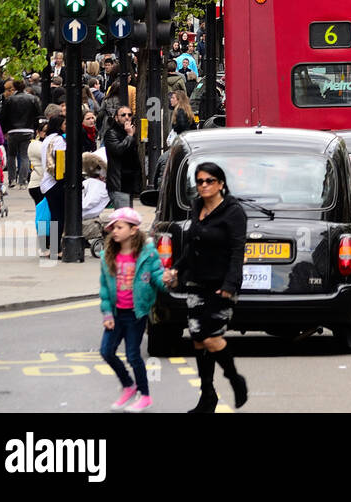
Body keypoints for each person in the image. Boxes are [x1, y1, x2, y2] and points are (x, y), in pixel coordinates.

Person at [164, 161, 248, 413]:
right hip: (196, 282)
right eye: (200, 181)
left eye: (209, 181)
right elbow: (192, 245)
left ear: (221, 184)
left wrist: (230, 285)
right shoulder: (197, 207)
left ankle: (235, 379)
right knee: (199, 341)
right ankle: (207, 397)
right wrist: (176, 269)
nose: (203, 186)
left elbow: (237, 251)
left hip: (221, 285)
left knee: (211, 338)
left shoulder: (233, 212)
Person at [99, 207, 169, 413]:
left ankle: (145, 396)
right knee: (106, 351)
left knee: (132, 356)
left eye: (119, 227)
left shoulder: (147, 255)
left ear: (133, 230)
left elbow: (157, 277)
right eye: (113, 228)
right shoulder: (108, 256)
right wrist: (107, 313)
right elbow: (104, 287)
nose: (115, 231)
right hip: (116, 313)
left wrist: (167, 281)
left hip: (135, 314)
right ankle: (129, 386)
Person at [0, 79, 40, 188]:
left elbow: (4, 116)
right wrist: (35, 127)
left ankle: (12, 179)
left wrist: (4, 130)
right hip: (27, 129)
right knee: (24, 156)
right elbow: (38, 114)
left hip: (12, 130)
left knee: (11, 155)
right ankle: (22, 181)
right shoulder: (32, 99)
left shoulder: (9, 99)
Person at [38, 113, 66, 258]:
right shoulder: (59, 140)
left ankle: (52, 247)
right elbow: (60, 161)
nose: (67, 126)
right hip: (56, 182)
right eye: (64, 123)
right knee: (59, 216)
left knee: (55, 215)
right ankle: (56, 249)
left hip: (47, 182)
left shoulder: (47, 139)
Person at [103, 105, 141, 207]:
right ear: (116, 118)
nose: (127, 117)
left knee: (128, 217)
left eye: (129, 114)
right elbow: (118, 151)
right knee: (123, 218)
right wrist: (129, 136)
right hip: (118, 183)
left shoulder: (130, 133)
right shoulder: (111, 133)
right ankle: (54, 223)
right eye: (123, 115)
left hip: (128, 182)